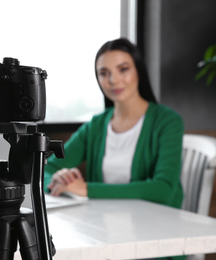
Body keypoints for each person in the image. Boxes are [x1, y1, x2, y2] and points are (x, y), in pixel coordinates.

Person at [44, 38, 184, 210]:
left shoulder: (167, 121)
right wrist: (57, 181)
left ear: (138, 71)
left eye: (123, 69)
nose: (113, 80)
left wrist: (86, 189)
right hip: (103, 221)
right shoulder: (95, 126)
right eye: (104, 73)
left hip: (158, 224)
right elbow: (47, 169)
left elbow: (163, 190)